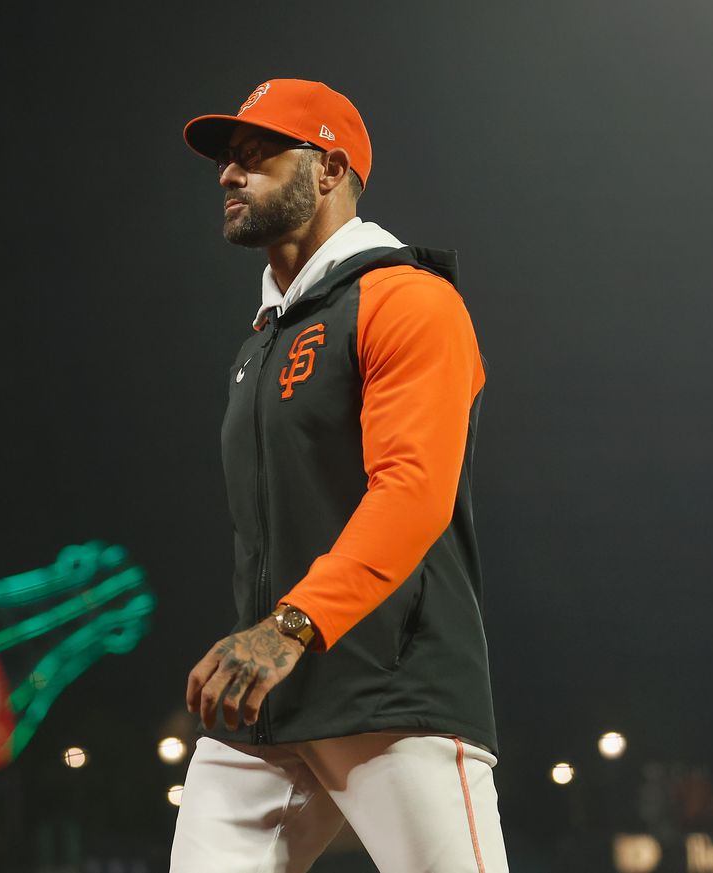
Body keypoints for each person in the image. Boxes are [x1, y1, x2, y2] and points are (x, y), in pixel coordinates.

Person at [171, 78, 509, 872]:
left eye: (256, 155)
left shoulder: (406, 300)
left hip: (391, 692)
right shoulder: (262, 342)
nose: (228, 173)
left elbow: (412, 490)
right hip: (265, 703)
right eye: (227, 159)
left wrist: (289, 626)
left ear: (328, 169)